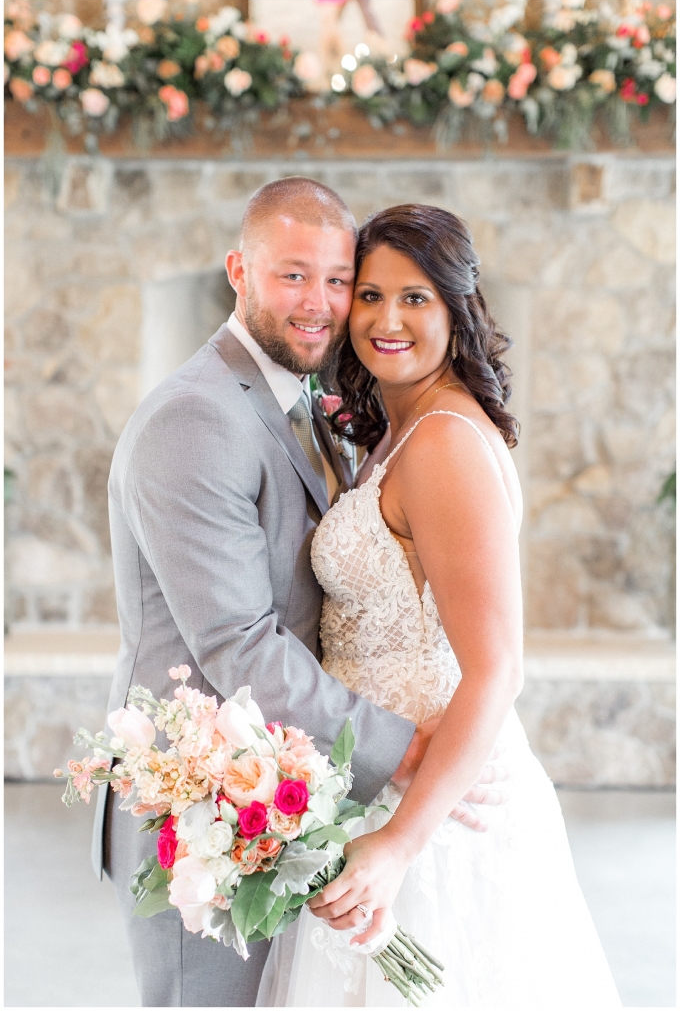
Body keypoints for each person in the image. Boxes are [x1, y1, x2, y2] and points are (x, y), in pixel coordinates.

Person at [93, 179, 504, 1007]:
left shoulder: (308, 400)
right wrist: (401, 747)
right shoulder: (197, 418)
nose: (319, 303)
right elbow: (238, 644)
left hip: (296, 786)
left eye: (335, 278)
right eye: (291, 276)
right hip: (206, 808)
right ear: (238, 271)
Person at [256, 204, 622, 1008]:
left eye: (415, 298)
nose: (387, 319)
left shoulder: (446, 442)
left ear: (458, 309)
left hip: (433, 818)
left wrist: (396, 845)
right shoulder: (404, 426)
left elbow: (496, 670)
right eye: (371, 294)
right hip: (378, 777)